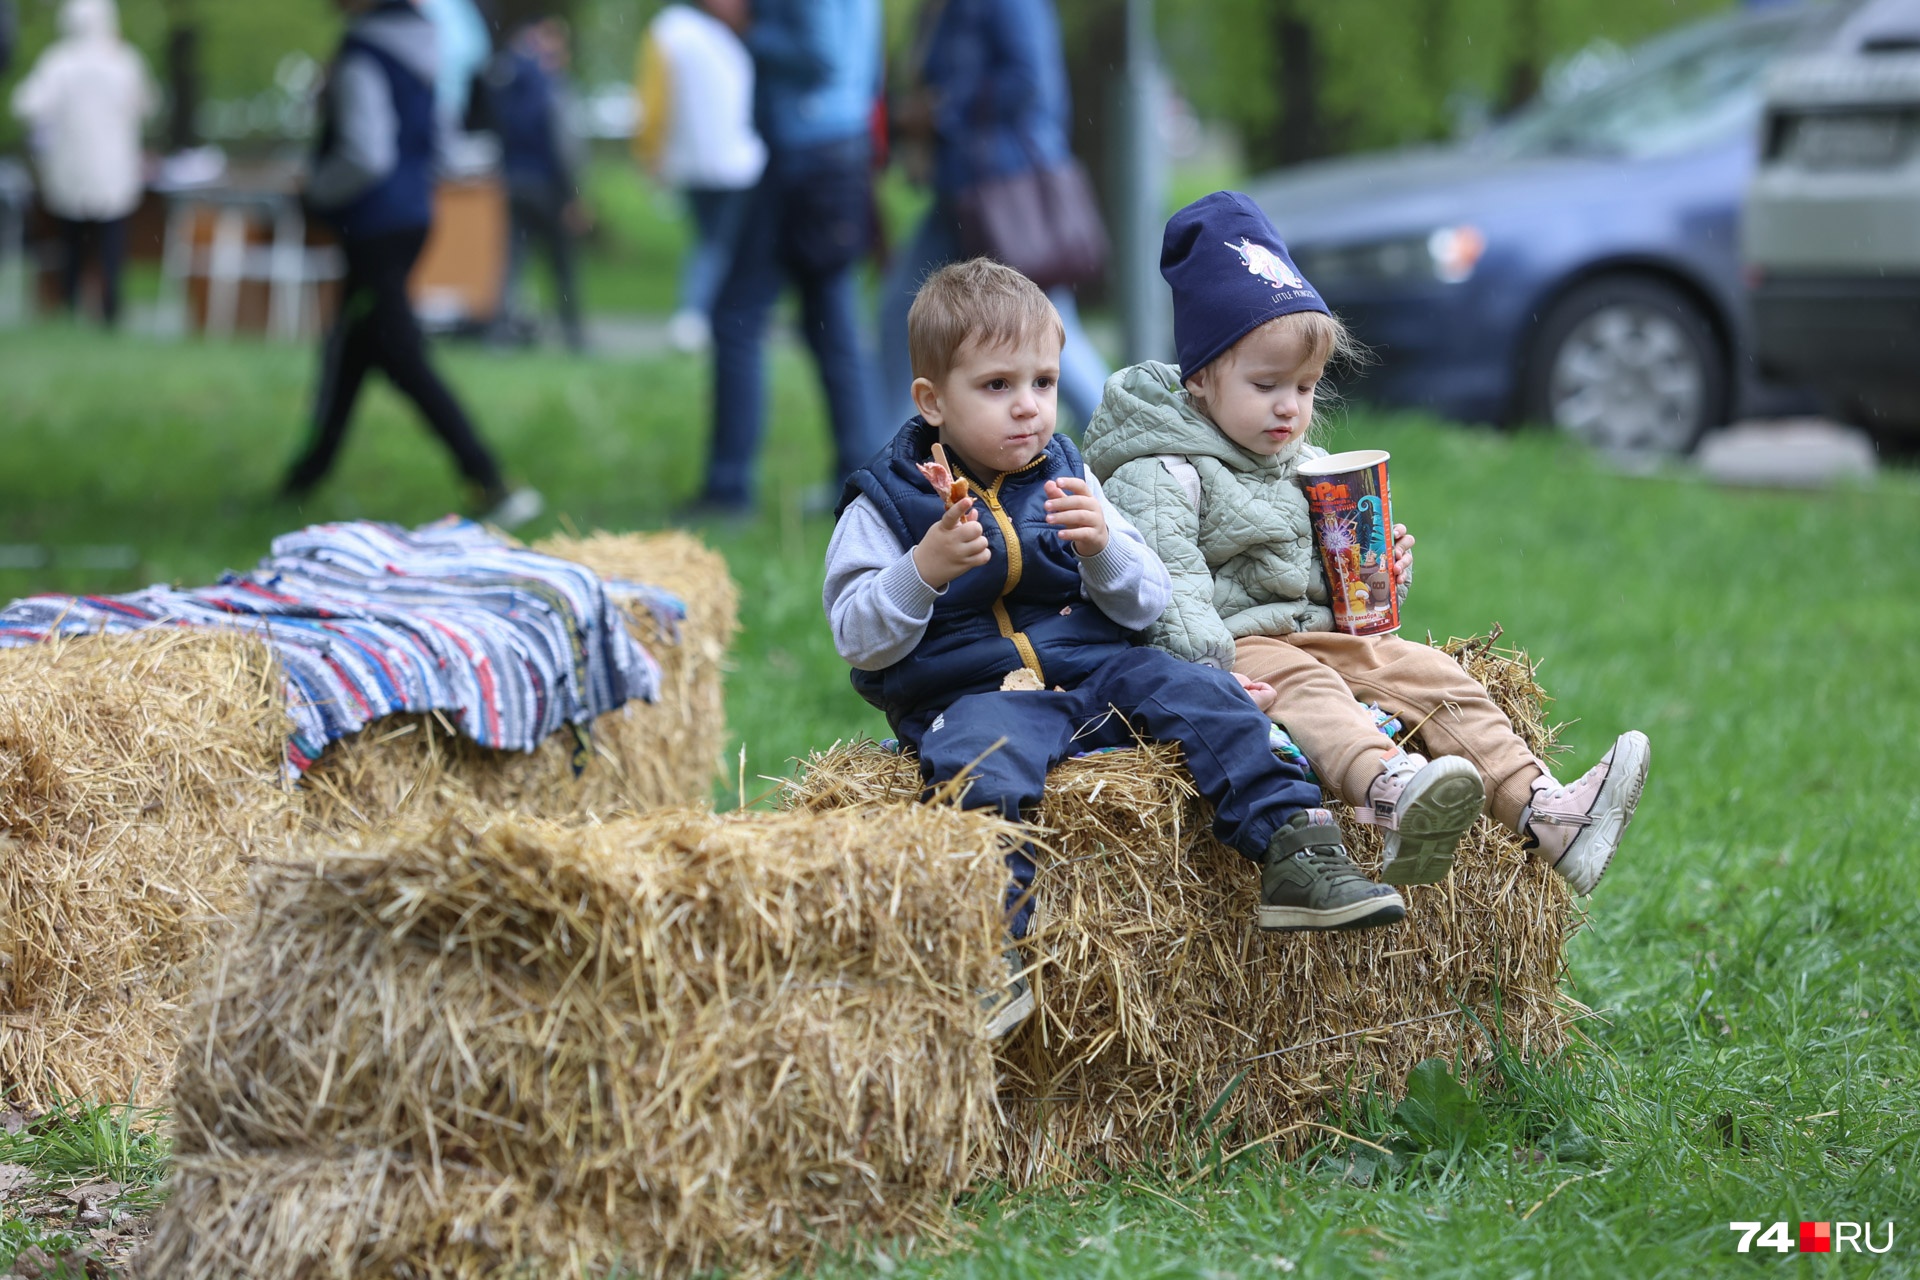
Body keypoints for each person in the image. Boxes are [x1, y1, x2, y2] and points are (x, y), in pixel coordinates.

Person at [826, 258, 1409, 1035]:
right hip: (973, 696)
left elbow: (1147, 600)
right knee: (978, 770)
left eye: (1041, 382)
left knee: (1203, 693)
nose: (1027, 408)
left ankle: (1295, 851)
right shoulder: (888, 501)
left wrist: (1101, 549)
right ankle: (990, 950)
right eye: (996, 387)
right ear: (932, 401)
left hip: (1095, 674)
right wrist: (921, 572)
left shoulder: (1067, 475)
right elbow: (858, 637)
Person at [1083, 192, 1651, 893]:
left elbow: (1327, 579)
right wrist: (1210, 675)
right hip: (1239, 648)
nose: (1291, 407)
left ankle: (1547, 813)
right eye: (1267, 385)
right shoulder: (1161, 468)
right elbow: (1171, 587)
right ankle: (1389, 789)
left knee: (1432, 674)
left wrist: (1383, 576)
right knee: (1314, 689)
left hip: (1315, 631)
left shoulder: (1295, 459)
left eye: (1306, 386)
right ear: (1201, 377)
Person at [289, 0, 540, 529]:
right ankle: (304, 475)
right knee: (352, 349)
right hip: (412, 217)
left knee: (399, 354)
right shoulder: (427, 49)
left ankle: (488, 477)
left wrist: (315, 190)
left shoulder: (364, 54)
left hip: (374, 224)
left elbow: (367, 155)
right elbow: (443, 148)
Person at [877, 0, 1110, 434]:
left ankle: (1129, 435)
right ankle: (896, 459)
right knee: (901, 311)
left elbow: (1030, 81)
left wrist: (942, 111)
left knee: (1052, 324)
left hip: (1005, 194)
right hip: (960, 192)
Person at [691, 0, 882, 517]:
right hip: (835, 149)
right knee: (831, 327)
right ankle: (863, 484)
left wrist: (744, 24)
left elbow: (821, 53)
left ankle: (728, 488)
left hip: (806, 156)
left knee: (737, 317)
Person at [9, 0, 154, 328]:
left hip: (70, 170)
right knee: (111, 243)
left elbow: (26, 104)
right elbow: (147, 104)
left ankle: (70, 307)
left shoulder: (59, 62)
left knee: (72, 243)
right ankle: (109, 313)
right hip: (113, 171)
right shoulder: (123, 60)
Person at [633, 0, 765, 354]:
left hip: (694, 161)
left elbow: (653, 96)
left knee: (709, 241)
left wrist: (651, 150)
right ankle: (696, 316)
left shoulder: (671, 31)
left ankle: (700, 314)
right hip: (734, 161)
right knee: (717, 243)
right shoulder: (705, 35)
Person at [482, 17, 587, 351]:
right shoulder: (550, 85)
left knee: (513, 262)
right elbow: (565, 145)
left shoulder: (507, 83)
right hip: (548, 186)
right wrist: (574, 194)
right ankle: (573, 335)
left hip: (513, 182)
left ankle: (500, 334)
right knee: (561, 264)